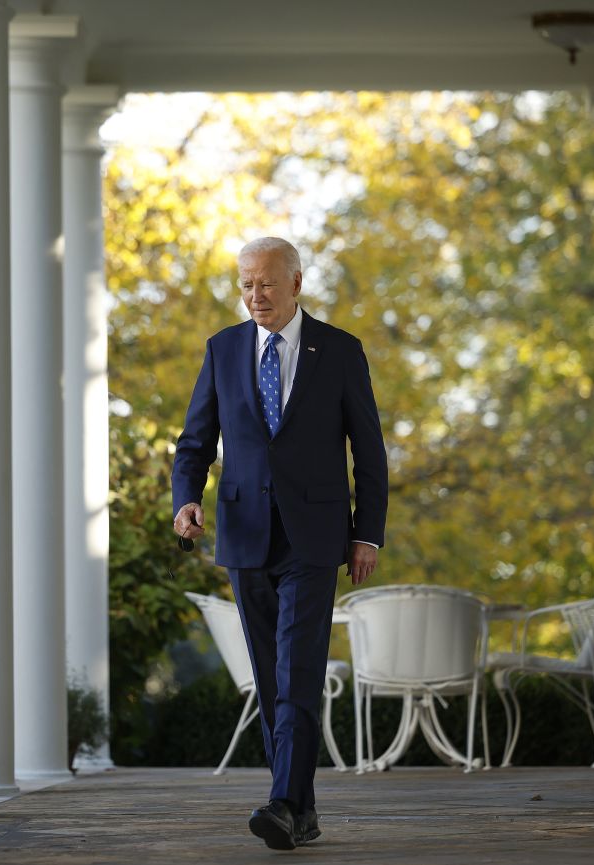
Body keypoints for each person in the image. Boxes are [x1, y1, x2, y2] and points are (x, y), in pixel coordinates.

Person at [172, 236, 388, 850]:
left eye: (265, 284)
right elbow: (195, 442)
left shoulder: (341, 351)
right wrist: (186, 498)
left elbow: (368, 452)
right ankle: (301, 812)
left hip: (317, 539)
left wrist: (366, 532)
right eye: (245, 284)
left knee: (298, 671)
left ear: (295, 284)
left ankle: (282, 802)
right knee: (271, 678)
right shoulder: (223, 349)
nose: (254, 295)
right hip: (244, 536)